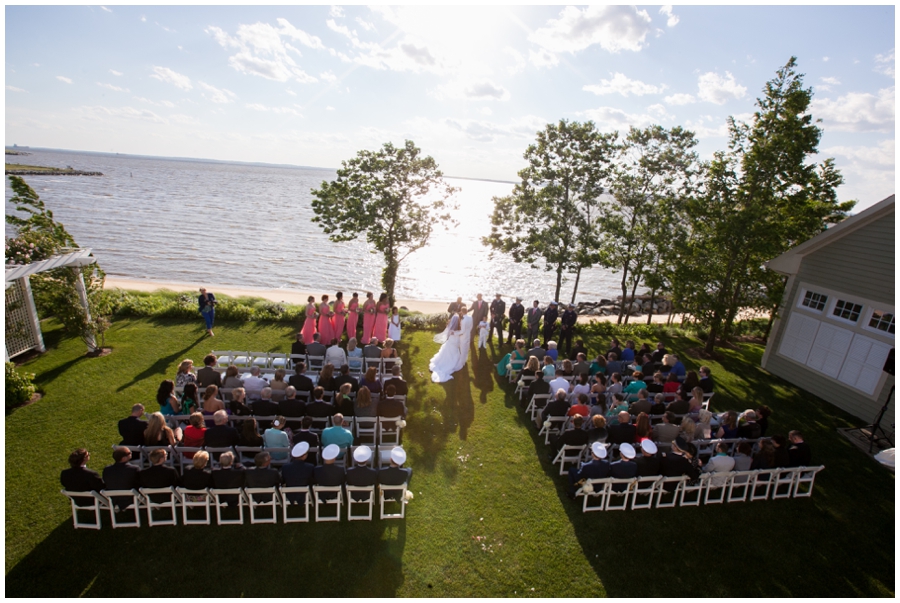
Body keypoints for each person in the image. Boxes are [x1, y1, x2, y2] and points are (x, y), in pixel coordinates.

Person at [430, 305, 464, 383]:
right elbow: (460, 335)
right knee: (454, 353)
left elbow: (448, 335)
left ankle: (443, 364)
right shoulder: (459, 328)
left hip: (451, 343)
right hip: (455, 344)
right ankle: (450, 364)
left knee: (446, 353)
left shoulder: (450, 328)